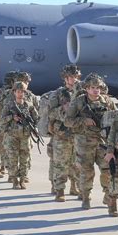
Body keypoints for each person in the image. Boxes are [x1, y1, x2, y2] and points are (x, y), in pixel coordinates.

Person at [65, 73, 116, 209]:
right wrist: (83, 121)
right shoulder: (79, 102)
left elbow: (117, 120)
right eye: (93, 87)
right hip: (84, 142)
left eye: (98, 87)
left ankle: (107, 195)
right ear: (87, 88)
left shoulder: (107, 102)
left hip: (102, 142)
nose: (96, 90)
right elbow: (68, 121)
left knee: (107, 170)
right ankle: (86, 197)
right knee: (86, 171)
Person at [49, 64, 81, 201]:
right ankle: (60, 189)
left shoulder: (82, 93)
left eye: (75, 77)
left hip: (78, 133)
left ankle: (76, 187)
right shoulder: (58, 93)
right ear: (65, 78)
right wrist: (63, 109)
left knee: (78, 163)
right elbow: (50, 112)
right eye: (70, 77)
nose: (73, 79)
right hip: (62, 134)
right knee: (61, 163)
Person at [0, 81, 39, 189]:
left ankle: (22, 180)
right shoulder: (8, 106)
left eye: (22, 91)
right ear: (14, 92)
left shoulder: (29, 106)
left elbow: (36, 119)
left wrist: (34, 128)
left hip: (25, 136)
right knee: (12, 159)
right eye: (18, 91)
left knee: (24, 160)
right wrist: (12, 118)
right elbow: (1, 121)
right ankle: (14, 180)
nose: (20, 94)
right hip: (12, 136)